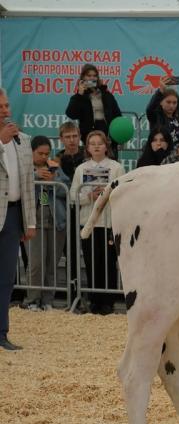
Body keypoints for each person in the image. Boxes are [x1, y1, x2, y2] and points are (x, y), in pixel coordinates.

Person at [70, 130, 124, 315]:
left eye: (100, 143)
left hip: (109, 222)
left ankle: (108, 301)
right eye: (92, 143)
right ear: (87, 147)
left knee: (108, 262)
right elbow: (73, 196)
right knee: (91, 262)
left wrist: (107, 194)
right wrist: (89, 196)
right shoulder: (81, 169)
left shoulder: (116, 167)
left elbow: (123, 192)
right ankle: (94, 300)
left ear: (106, 146)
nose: (96, 147)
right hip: (88, 222)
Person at [0, 88, 36, 350]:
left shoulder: (23, 140)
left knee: (6, 278)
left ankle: (1, 333)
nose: (5, 111)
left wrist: (30, 221)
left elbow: (29, 184)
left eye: (6, 106)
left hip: (13, 217)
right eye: (0, 107)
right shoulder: (5, 139)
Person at [22, 136, 71, 311]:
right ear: (31, 152)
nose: (44, 157)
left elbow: (67, 190)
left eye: (47, 153)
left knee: (52, 263)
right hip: (33, 221)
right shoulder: (25, 168)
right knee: (36, 263)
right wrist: (35, 177)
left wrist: (53, 181)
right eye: (40, 153)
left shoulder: (55, 167)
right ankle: (32, 300)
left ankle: (48, 300)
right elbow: (18, 186)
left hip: (56, 220)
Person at [53, 121, 84, 302]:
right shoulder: (55, 161)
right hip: (64, 213)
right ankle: (72, 294)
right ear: (61, 139)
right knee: (69, 253)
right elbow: (47, 191)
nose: (71, 140)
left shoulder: (88, 157)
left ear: (79, 137)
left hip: (86, 211)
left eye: (74, 136)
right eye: (67, 137)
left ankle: (90, 293)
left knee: (90, 253)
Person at [65, 63, 122, 155]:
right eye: (89, 75)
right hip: (90, 137)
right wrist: (79, 94)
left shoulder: (107, 95)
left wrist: (118, 136)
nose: (92, 78)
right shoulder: (80, 97)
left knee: (111, 162)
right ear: (83, 77)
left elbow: (118, 115)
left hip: (108, 137)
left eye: (95, 76)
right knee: (91, 162)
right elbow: (71, 114)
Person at [146, 77, 179, 143]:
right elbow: (150, 109)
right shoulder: (156, 116)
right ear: (161, 102)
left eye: (174, 103)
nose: (171, 106)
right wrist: (160, 91)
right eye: (168, 102)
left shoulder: (177, 117)